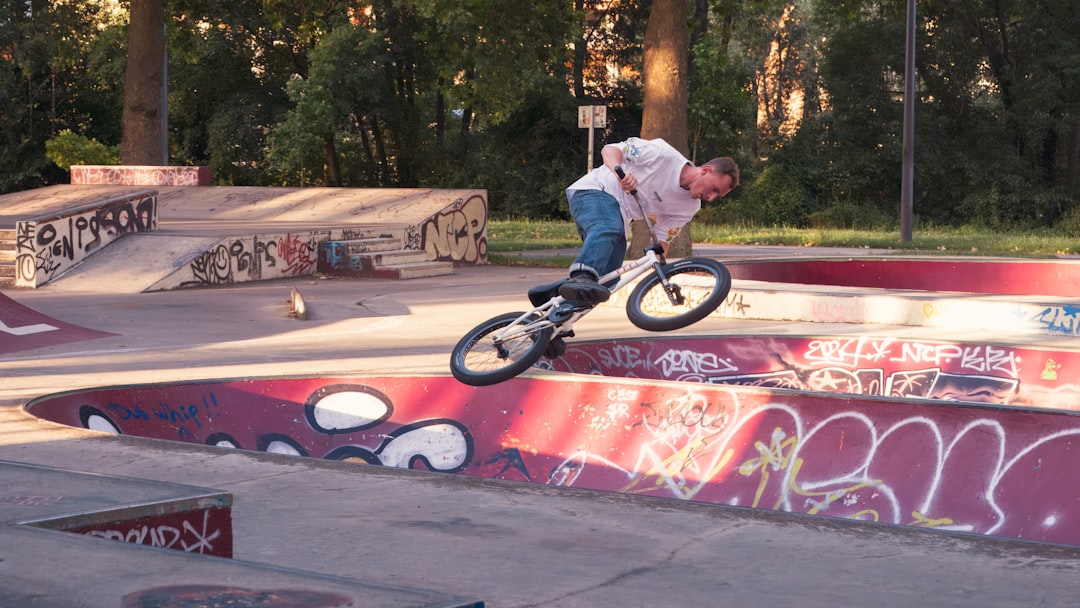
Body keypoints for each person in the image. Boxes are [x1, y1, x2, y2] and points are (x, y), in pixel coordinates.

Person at [557, 137, 739, 305]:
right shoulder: (662, 154)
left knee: (607, 281)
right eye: (714, 189)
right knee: (607, 229)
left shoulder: (689, 207)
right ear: (705, 171)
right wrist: (619, 174)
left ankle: (553, 316)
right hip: (594, 192)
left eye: (717, 195)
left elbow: (662, 240)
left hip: (619, 219)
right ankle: (581, 274)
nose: (711, 198)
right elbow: (610, 150)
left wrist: (661, 267)